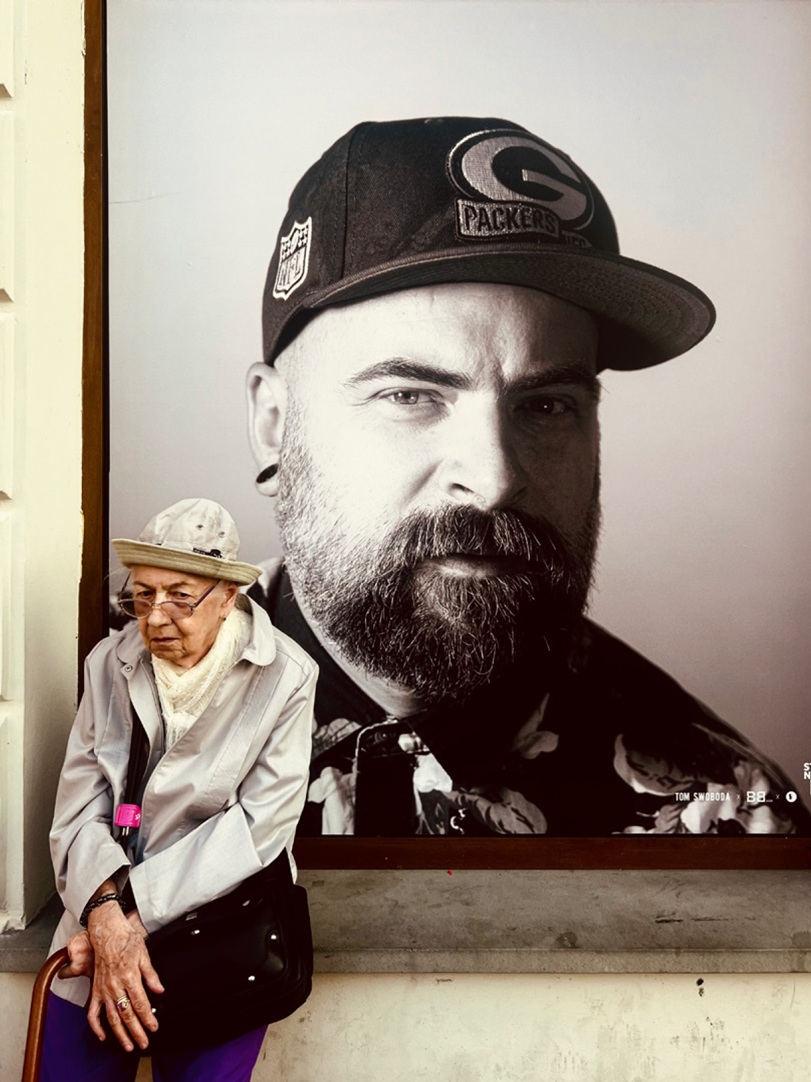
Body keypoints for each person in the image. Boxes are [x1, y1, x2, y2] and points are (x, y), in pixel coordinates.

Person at [245, 115, 809, 838]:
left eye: (545, 405)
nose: (493, 478)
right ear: (274, 424)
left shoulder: (729, 822)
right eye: (410, 396)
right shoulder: (114, 732)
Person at [44, 498, 317, 1081]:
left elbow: (260, 824)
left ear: (227, 597)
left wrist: (130, 919)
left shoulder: (286, 675)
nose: (156, 617)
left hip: (219, 930)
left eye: (179, 597)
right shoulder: (108, 662)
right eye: (143, 595)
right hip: (98, 916)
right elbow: (80, 804)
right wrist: (104, 915)